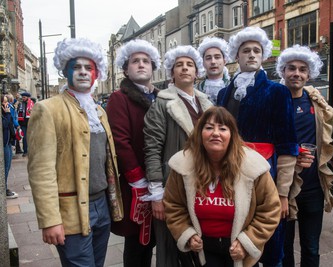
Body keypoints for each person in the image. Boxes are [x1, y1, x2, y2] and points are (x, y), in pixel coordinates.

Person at [27, 38, 123, 267]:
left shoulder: (99, 111)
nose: (82, 72)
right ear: (66, 71)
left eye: (87, 67)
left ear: (95, 73)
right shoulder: (47, 109)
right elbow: (41, 170)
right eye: (76, 67)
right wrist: (50, 220)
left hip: (102, 205)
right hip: (71, 209)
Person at [217, 26, 298, 266]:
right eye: (246, 51)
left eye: (256, 51)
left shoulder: (278, 91)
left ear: (263, 56)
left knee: (271, 244)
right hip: (229, 174)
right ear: (236, 56)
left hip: (266, 176)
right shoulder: (224, 93)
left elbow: (287, 145)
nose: (251, 55)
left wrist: (283, 194)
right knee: (236, 237)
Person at [163, 106, 281, 267]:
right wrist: (187, 234)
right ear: (200, 134)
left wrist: (248, 241)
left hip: (239, 250)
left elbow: (270, 209)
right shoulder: (183, 166)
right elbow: (173, 205)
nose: (216, 133)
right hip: (203, 250)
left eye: (223, 128)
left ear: (232, 135)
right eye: (209, 127)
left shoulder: (253, 167)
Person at [275, 45, 333, 267]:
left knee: (311, 247)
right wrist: (293, 155)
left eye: (302, 69)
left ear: (309, 74)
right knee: (284, 247)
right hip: (282, 188)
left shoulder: (313, 97)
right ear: (283, 71)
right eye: (291, 68)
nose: (297, 73)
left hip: (313, 186)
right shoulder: (273, 99)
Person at [144, 45, 213, 267]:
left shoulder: (207, 103)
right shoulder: (162, 104)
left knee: (198, 243)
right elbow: (152, 148)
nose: (184, 68)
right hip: (172, 184)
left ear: (197, 72)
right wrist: (156, 193)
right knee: (170, 247)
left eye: (189, 65)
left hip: (204, 182)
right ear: (172, 73)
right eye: (179, 65)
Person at [106, 39, 161, 267]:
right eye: (134, 61)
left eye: (145, 61)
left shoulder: (162, 97)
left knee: (161, 240)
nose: (140, 65)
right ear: (126, 69)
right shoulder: (119, 98)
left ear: (153, 67)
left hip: (163, 181)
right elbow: (120, 142)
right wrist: (138, 180)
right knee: (138, 246)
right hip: (136, 185)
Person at [196, 36, 231, 104]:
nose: (213, 62)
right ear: (203, 62)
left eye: (217, 57)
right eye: (208, 58)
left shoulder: (233, 87)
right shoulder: (196, 89)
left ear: (224, 61)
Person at [2, 94, 18, 199]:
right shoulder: (4, 114)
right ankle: (4, 188)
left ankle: (5, 187)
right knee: (5, 167)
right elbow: (4, 125)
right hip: (4, 143)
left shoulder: (6, 112)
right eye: (4, 102)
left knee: (7, 167)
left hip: (8, 142)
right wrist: (7, 114)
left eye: (7, 101)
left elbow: (11, 123)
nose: (7, 104)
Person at [17, 91, 34, 156]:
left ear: (28, 97)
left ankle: (31, 150)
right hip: (23, 123)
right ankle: (25, 151)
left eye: (24, 97)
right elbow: (19, 113)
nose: (23, 98)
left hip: (30, 123)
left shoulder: (32, 103)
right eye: (23, 97)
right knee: (24, 137)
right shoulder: (21, 104)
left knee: (30, 137)